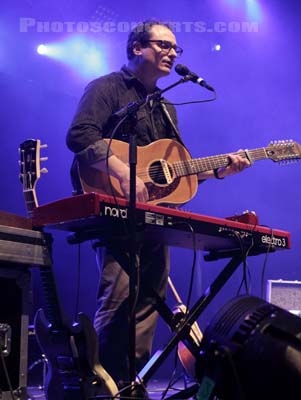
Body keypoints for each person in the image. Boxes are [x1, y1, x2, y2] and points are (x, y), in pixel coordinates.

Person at [66, 20, 250, 385]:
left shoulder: (166, 108)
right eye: (164, 45)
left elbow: (172, 172)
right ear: (137, 47)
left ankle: (132, 386)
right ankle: (102, 387)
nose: (172, 53)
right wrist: (120, 170)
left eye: (175, 49)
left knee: (150, 303)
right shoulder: (106, 88)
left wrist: (217, 172)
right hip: (114, 212)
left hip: (154, 218)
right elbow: (79, 134)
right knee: (119, 301)